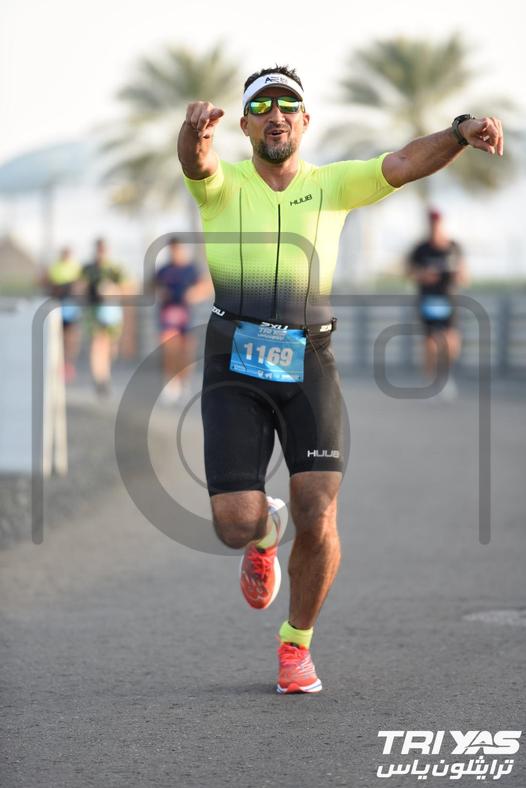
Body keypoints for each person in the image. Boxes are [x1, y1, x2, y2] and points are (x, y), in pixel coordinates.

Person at [177, 66, 504, 693]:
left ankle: (295, 645)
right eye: (262, 107)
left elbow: (403, 162)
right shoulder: (222, 185)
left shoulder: (332, 185)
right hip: (234, 362)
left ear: (305, 121)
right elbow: (196, 161)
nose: (276, 115)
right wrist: (193, 132)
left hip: (309, 360)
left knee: (319, 510)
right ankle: (263, 534)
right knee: (234, 523)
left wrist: (460, 131)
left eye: (288, 105)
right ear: (243, 125)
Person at [408, 209, 469, 398]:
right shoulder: (421, 249)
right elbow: (409, 271)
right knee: (431, 344)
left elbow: (465, 276)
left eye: (437, 224)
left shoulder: (454, 247)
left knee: (451, 343)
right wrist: (423, 275)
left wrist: (458, 274)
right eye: (432, 224)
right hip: (428, 301)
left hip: (448, 301)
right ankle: (430, 380)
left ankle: (445, 377)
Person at [154, 237, 212, 404]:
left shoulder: (191, 269)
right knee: (169, 348)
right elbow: (153, 287)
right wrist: (161, 292)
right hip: (169, 314)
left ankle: (183, 380)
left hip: (187, 315)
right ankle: (171, 382)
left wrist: (193, 294)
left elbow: (206, 287)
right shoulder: (164, 270)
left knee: (186, 350)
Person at [81, 238, 125, 397]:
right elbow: (80, 287)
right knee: (97, 344)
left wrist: (113, 290)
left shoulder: (115, 269)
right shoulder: (88, 269)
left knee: (110, 348)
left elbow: (128, 288)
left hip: (112, 313)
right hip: (94, 311)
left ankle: (104, 373)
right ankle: (100, 379)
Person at [45, 246, 82, 382]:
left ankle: (69, 365)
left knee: (71, 340)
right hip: (58, 309)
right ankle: (58, 366)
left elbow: (80, 286)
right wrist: (60, 288)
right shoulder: (55, 267)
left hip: (72, 309)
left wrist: (73, 287)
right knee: (58, 338)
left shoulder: (75, 267)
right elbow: (50, 285)